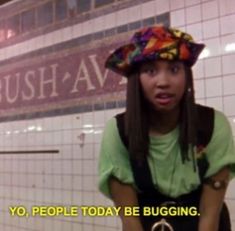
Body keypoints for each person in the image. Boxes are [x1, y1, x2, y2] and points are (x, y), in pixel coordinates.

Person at [98, 25, 235, 231]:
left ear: (187, 76)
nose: (163, 82)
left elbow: (209, 218)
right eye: (151, 71)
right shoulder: (119, 132)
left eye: (174, 69)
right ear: (136, 80)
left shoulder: (213, 125)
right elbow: (130, 220)